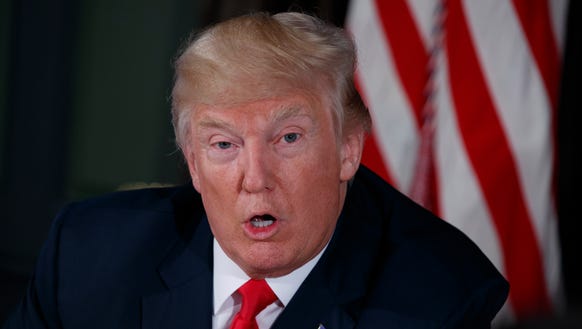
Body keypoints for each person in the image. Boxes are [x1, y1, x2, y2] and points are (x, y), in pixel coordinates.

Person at [3, 11, 508, 329]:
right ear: (194, 165)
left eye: (288, 138)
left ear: (348, 151)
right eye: (223, 144)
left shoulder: (440, 298)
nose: (255, 177)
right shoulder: (90, 255)